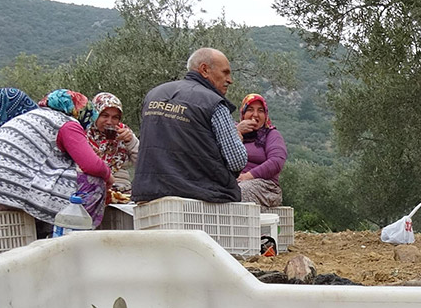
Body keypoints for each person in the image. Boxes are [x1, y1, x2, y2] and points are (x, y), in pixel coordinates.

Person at [0, 89, 112, 230]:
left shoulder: (27, 117)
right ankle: (73, 238)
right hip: (5, 191)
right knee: (94, 182)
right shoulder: (67, 123)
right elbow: (93, 166)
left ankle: (41, 235)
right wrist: (109, 177)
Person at [132, 47, 246, 204]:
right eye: (225, 72)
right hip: (200, 196)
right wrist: (237, 139)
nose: (230, 80)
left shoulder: (153, 95)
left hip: (149, 193)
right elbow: (237, 160)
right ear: (204, 69)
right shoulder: (213, 103)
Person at [236, 93, 287, 207]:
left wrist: (247, 176)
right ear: (243, 113)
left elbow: (276, 161)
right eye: (250, 110)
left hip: (265, 186)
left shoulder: (272, 135)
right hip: (233, 180)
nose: (255, 115)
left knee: (242, 190)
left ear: (265, 115)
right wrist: (237, 131)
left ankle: (244, 224)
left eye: (260, 111)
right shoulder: (232, 130)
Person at [85, 92, 138, 196]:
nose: (109, 122)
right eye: (104, 115)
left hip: (122, 187)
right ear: (95, 115)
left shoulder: (124, 132)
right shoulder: (84, 133)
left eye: (115, 117)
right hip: (91, 186)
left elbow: (143, 164)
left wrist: (130, 142)